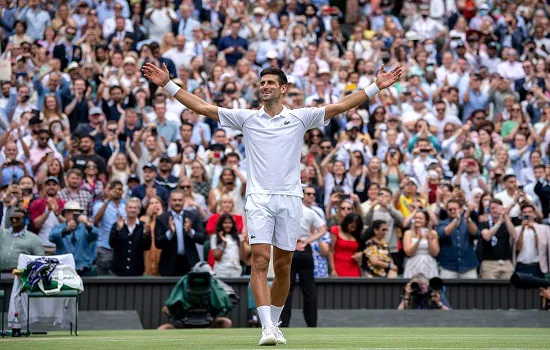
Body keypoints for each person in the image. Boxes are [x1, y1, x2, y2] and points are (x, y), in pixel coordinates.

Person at [143, 59, 401, 345]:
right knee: (260, 260)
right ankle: (267, 327)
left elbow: (341, 105)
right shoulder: (247, 118)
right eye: (261, 83)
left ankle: (274, 323)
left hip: (291, 199)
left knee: (283, 266)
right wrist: (167, 85)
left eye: (269, 83)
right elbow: (202, 107)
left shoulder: (301, 117)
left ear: (283, 88)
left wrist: (377, 86)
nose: (264, 86)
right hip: (258, 198)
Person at [280, 187, 327, 328]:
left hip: (290, 248)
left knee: (286, 289)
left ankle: (284, 323)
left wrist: (292, 242)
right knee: (309, 289)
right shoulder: (309, 212)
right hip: (303, 248)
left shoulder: (285, 210)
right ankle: (312, 324)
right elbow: (323, 229)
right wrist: (307, 241)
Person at [155, 190, 206, 276]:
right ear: (169, 201)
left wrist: (191, 231)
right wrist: (170, 233)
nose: (177, 203)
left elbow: (202, 239)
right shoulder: (162, 218)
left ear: (184, 201)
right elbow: (158, 243)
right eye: (174, 200)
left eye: (180, 200)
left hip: (190, 263)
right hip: (169, 264)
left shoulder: (193, 216)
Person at [49, 201, 98, 276]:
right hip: (64, 268)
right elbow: (51, 238)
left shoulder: (85, 227)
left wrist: (87, 224)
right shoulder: (59, 227)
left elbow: (95, 235)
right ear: (64, 214)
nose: (72, 214)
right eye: (69, 212)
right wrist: (66, 230)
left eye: (76, 212)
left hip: (83, 267)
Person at [109, 197, 152, 276]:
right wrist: (118, 230)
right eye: (130, 207)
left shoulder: (143, 226)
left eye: (135, 208)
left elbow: (146, 247)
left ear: (139, 210)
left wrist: (146, 235)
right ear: (126, 209)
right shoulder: (117, 225)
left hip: (137, 271)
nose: (132, 210)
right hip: (118, 271)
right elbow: (112, 244)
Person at [0, 209, 44, 273]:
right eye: (12, 218)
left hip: (21, 276)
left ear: (25, 221)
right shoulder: (2, 233)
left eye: (17, 218)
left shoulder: (34, 239)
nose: (14, 220)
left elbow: (40, 259)